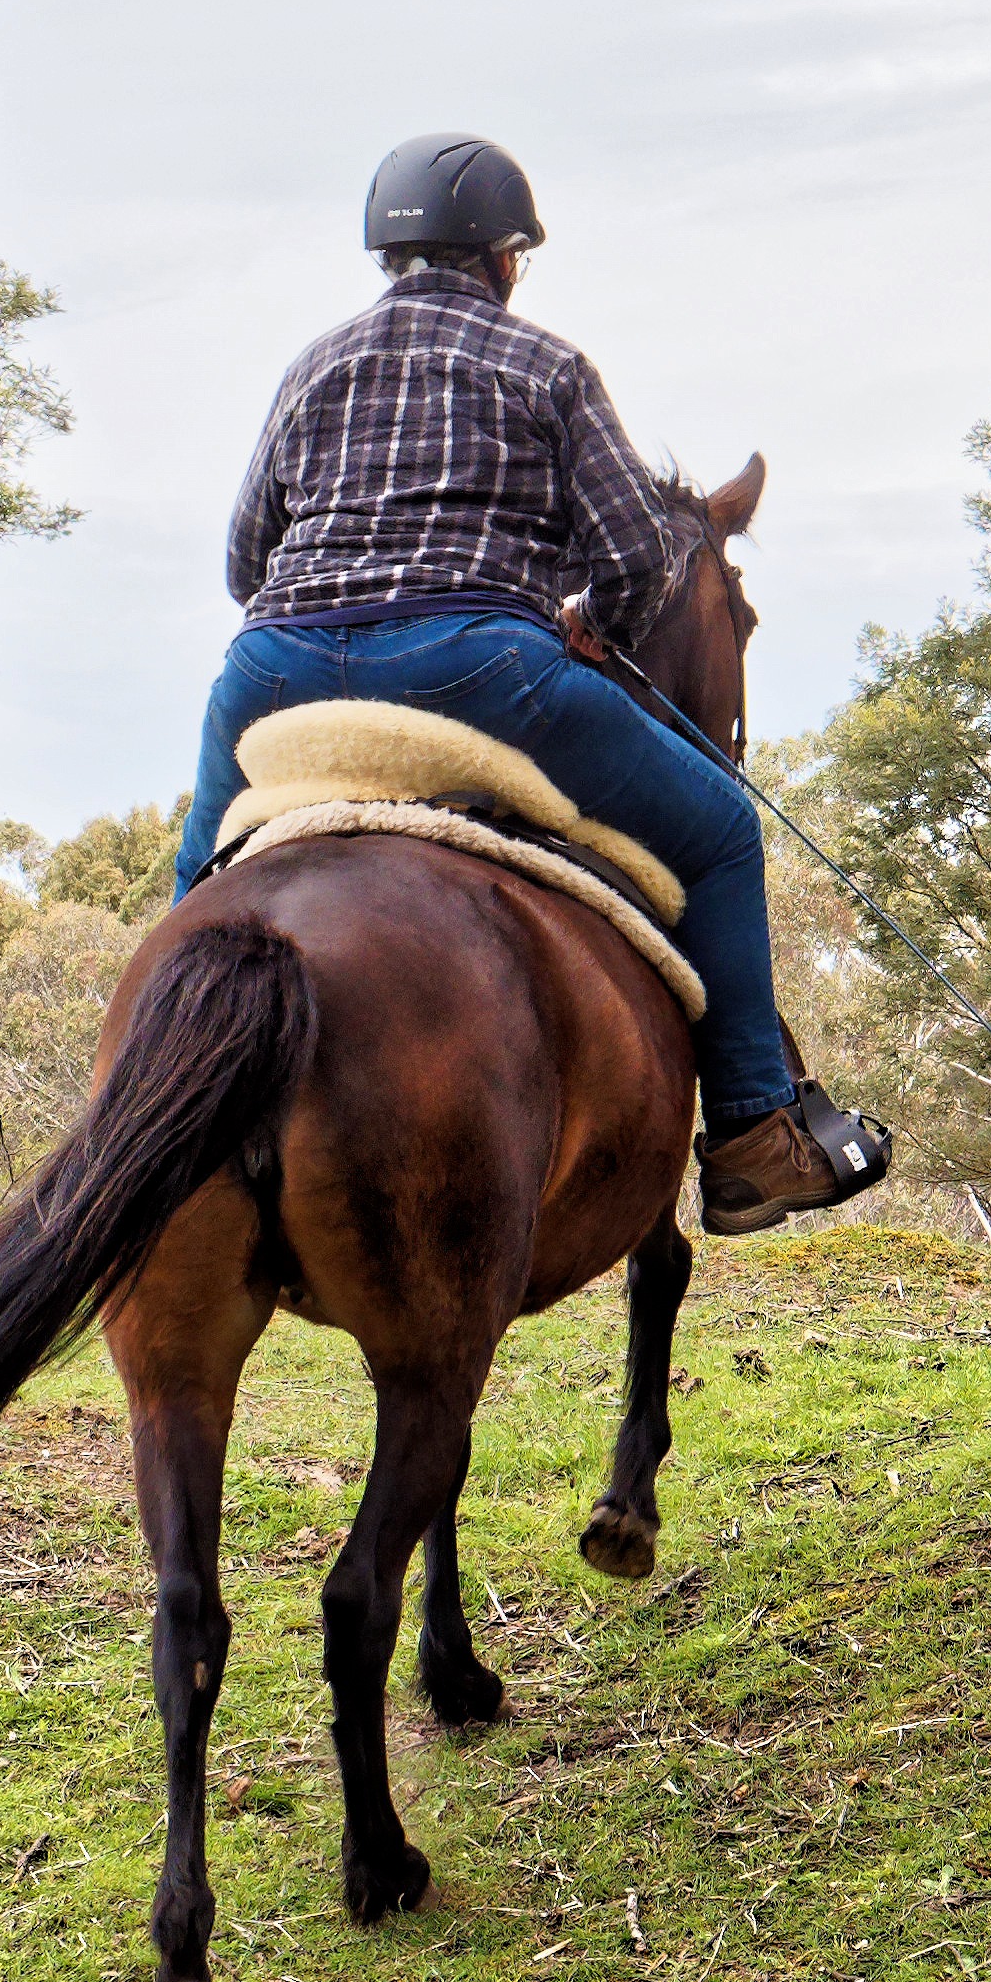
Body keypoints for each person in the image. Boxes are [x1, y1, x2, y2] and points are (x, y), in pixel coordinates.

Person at [171, 131, 885, 1236]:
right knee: (720, 831)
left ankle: (152, 1111)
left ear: (386, 255)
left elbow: (241, 564)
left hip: (274, 672)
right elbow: (639, 559)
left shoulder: (312, 366)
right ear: (505, 258)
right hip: (473, 663)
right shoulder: (547, 367)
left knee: (203, 872)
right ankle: (754, 1134)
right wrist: (590, 625)